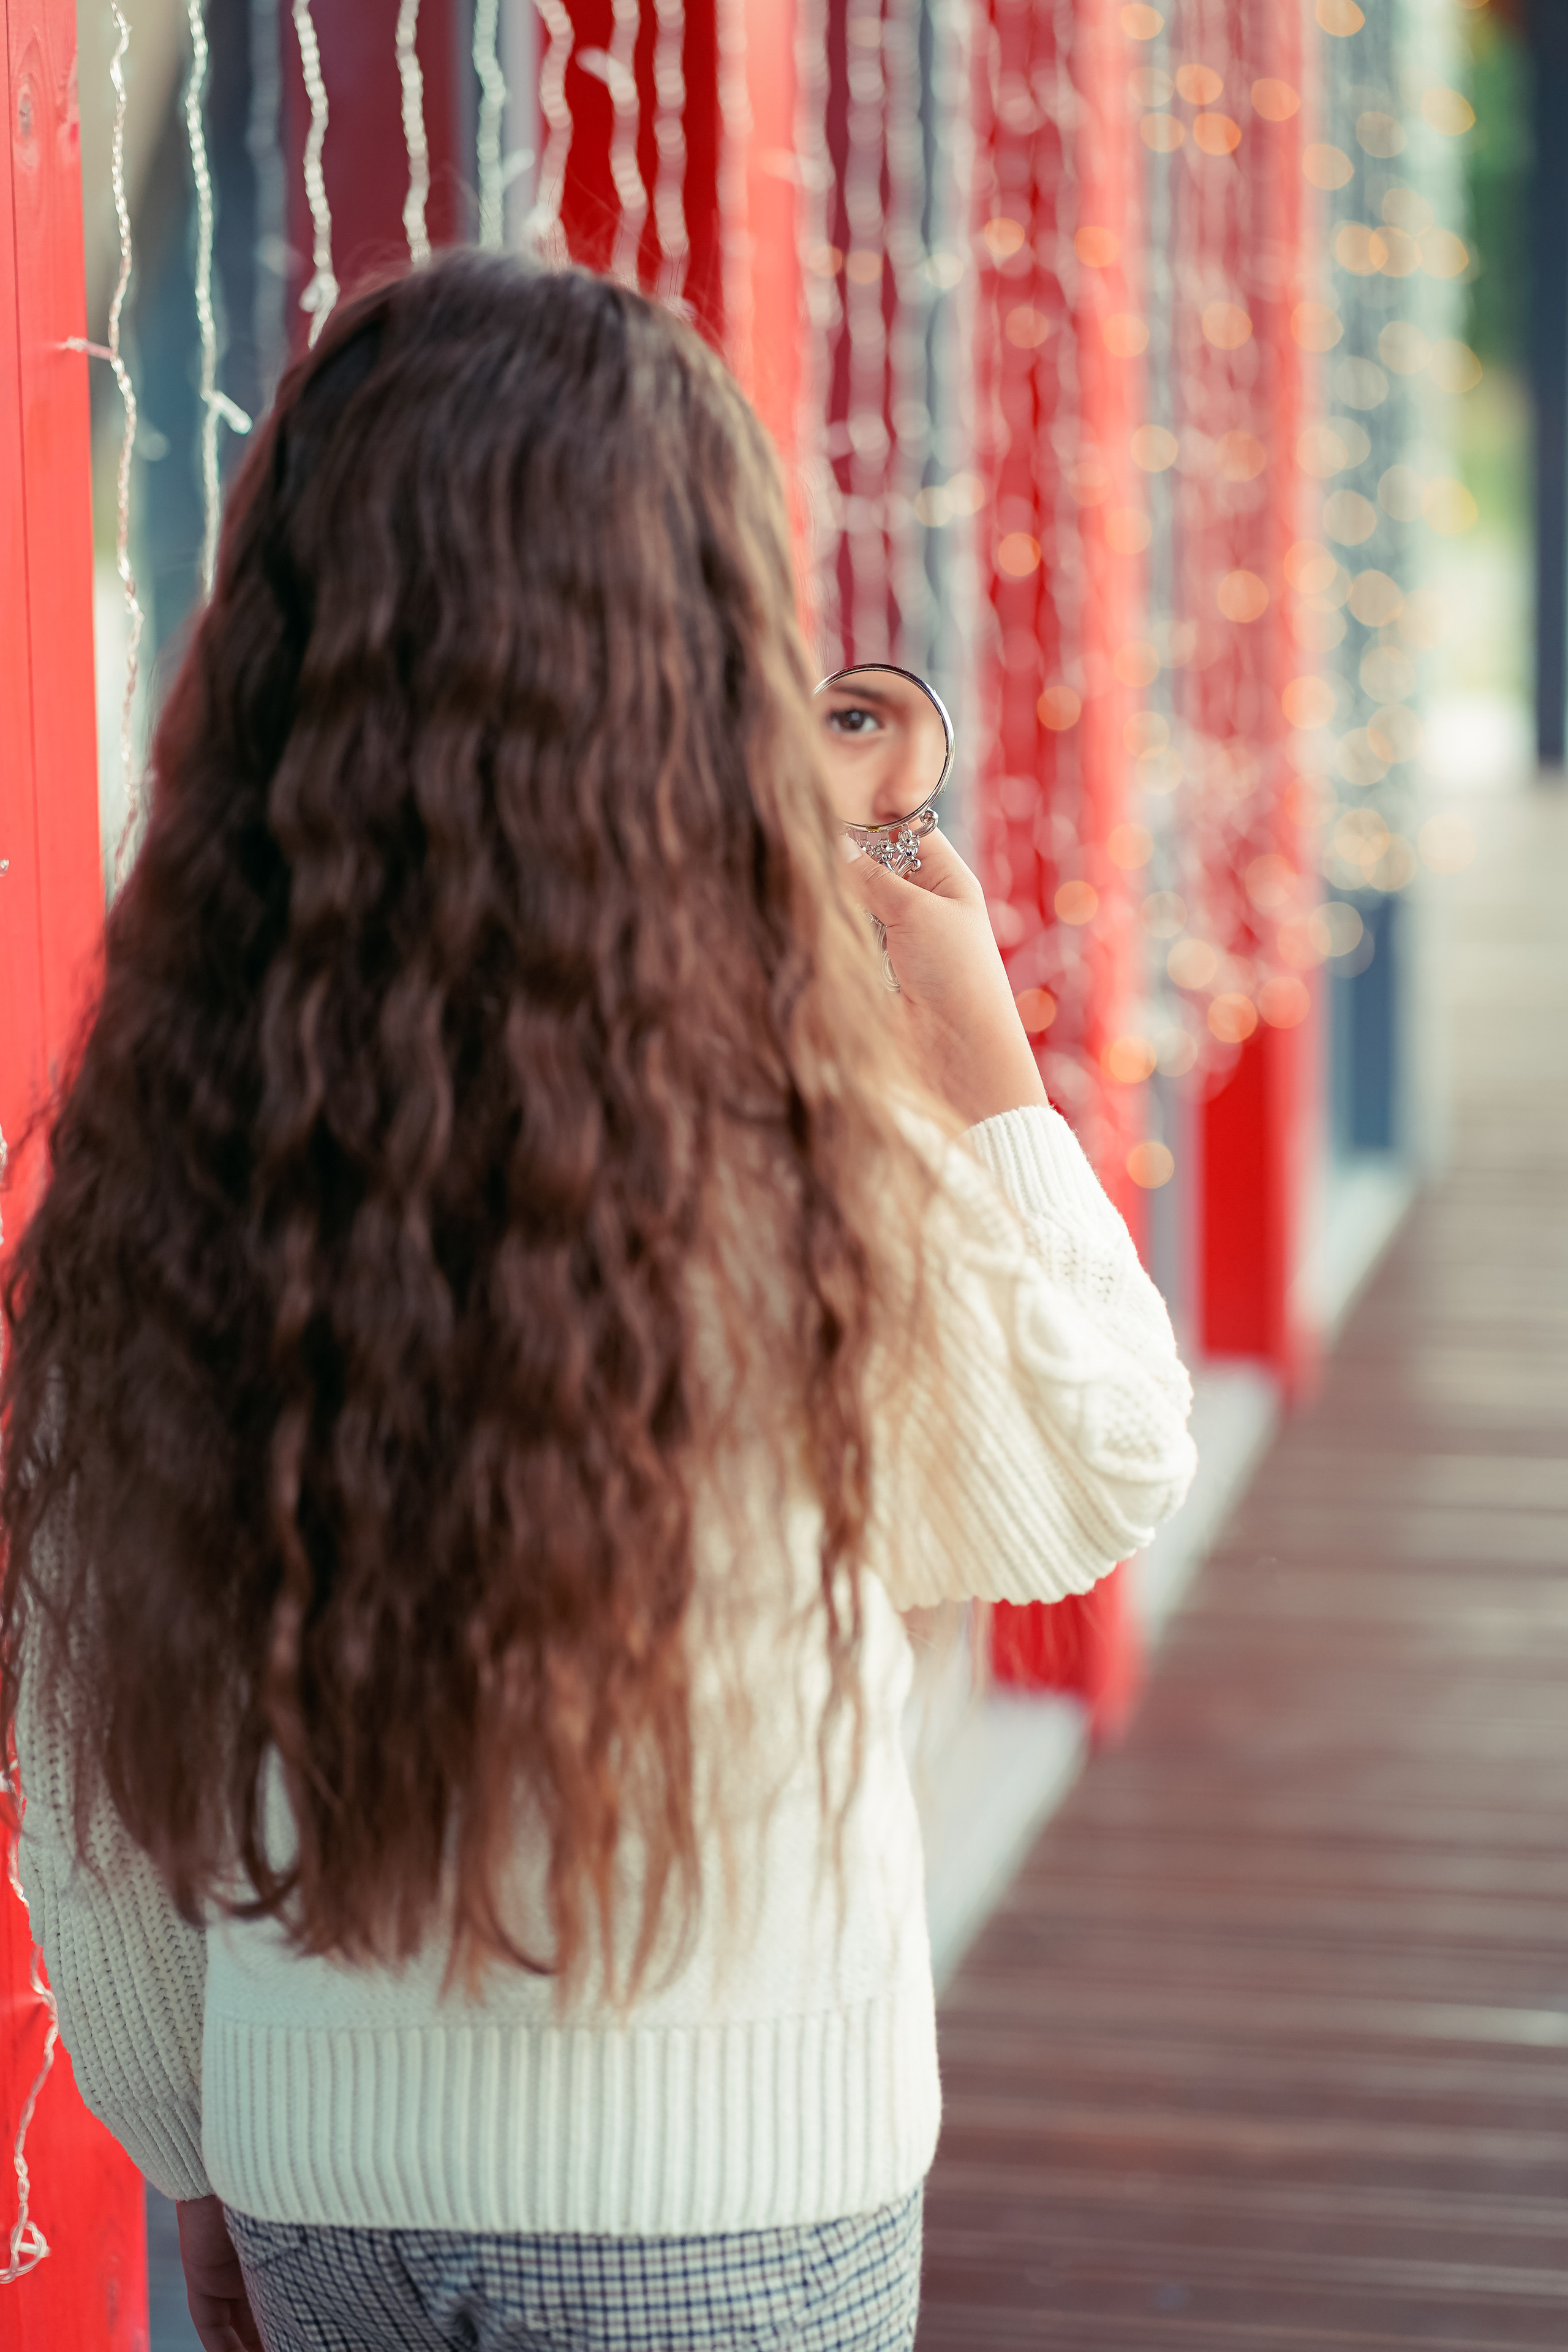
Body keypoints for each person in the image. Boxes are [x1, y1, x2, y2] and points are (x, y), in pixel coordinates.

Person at [1, 253, 1194, 2352]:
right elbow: (1093, 1470)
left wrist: (196, 2148)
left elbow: (92, 1712)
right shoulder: (780, 1133)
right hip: (724, 2194)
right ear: (693, 663)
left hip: (323, 2188)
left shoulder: (176, 1147)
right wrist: (980, 1051)